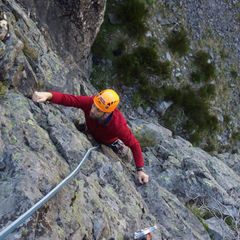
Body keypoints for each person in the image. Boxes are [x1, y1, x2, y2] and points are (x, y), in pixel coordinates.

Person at [32, 89, 149, 184]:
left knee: (126, 156)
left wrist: (140, 170)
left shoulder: (118, 126)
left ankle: (122, 150)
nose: (92, 111)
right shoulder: (91, 102)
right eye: (93, 106)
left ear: (107, 113)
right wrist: (48, 95)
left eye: (98, 110)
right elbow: (69, 99)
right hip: (91, 131)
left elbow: (134, 144)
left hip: (109, 142)